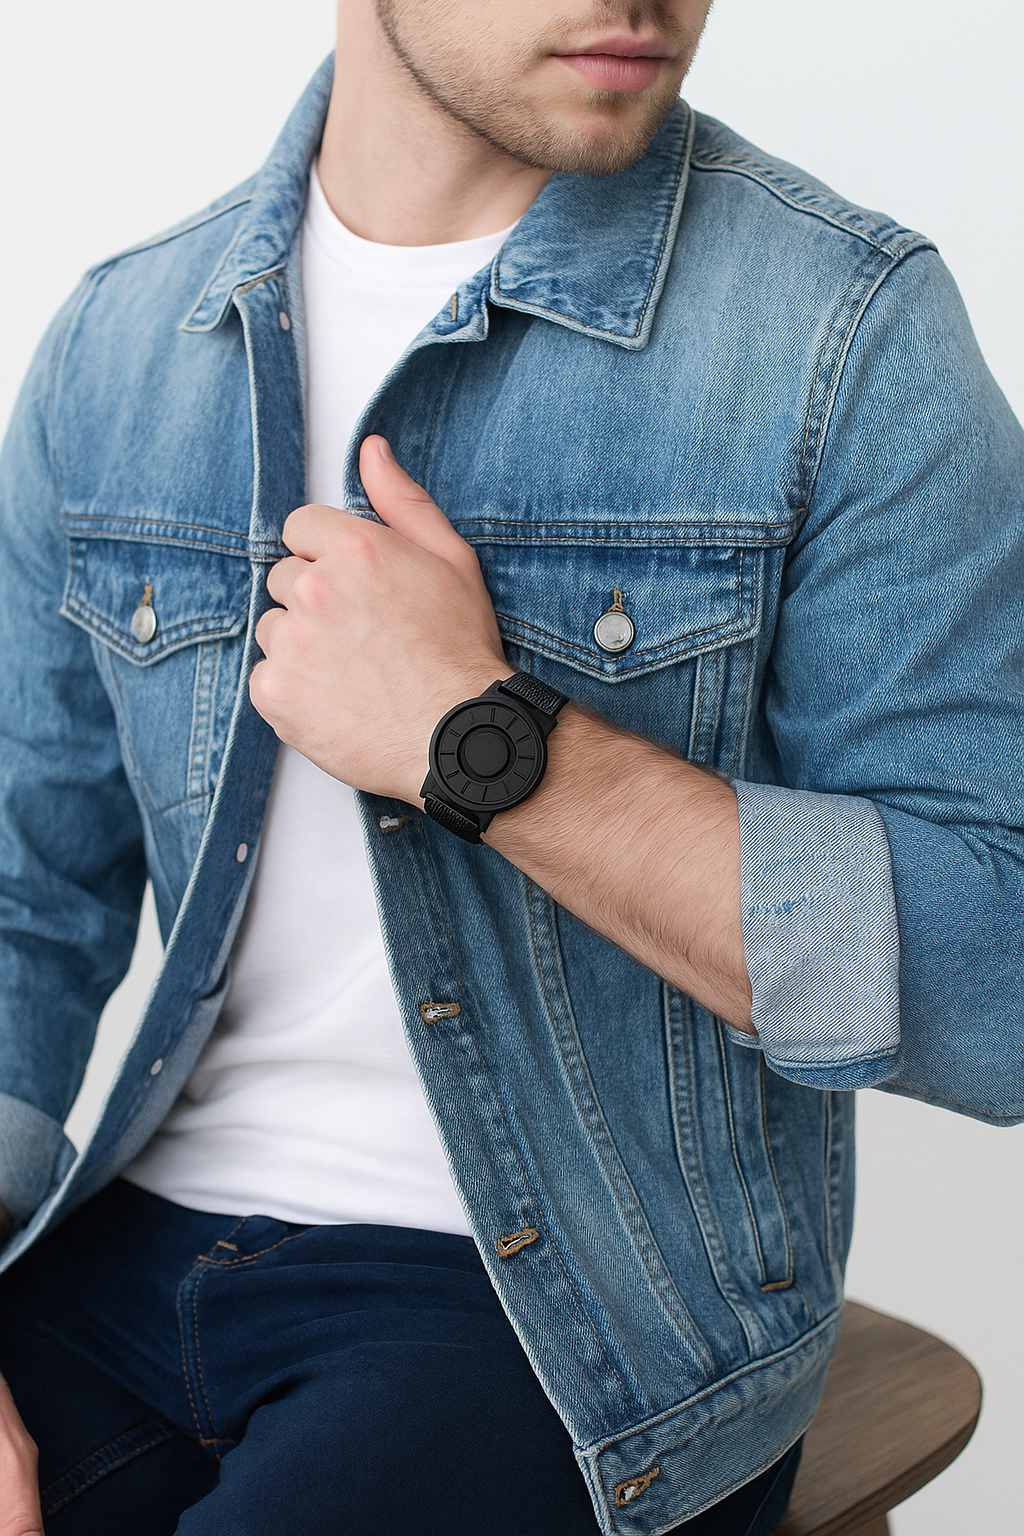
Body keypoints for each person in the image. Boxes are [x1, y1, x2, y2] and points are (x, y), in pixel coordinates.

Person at [0, 1, 1021, 1531]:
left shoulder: (842, 328)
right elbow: (22, 901)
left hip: (562, 1316)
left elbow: (997, 974)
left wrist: (488, 747)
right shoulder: (121, 342)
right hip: (120, 1253)